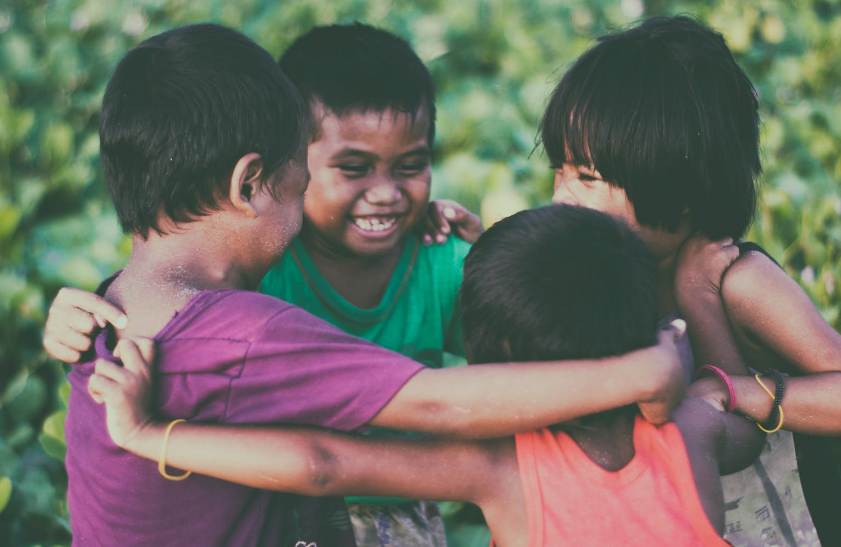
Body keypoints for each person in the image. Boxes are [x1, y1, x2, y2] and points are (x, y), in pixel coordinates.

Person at [61, 23, 687, 547]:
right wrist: (639, 374)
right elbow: (432, 404)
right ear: (249, 185)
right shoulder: (242, 333)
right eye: (300, 185)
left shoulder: (115, 304)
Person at [87, 204, 763, 547]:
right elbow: (749, 427)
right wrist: (691, 320)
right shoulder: (696, 430)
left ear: (492, 368)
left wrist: (150, 434)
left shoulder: (500, 465)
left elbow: (319, 462)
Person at [47, 23, 479, 546]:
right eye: (351, 168)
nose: (385, 194)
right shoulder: (257, 278)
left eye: (411, 166)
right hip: (304, 509)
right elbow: (345, 449)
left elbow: (517, 344)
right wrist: (494, 473)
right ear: (258, 179)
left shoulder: (441, 262)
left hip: (392, 507)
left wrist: (498, 263)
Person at [539, 16, 841, 546]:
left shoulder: (740, 282)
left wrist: (736, 389)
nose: (561, 197)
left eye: (587, 178)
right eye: (560, 169)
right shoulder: (605, 270)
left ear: (682, 196)